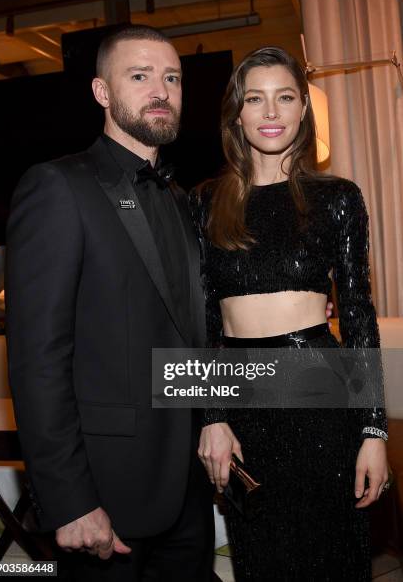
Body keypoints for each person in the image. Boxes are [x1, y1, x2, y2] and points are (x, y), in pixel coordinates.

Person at [6, 24, 214, 582]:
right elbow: (37, 360)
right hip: (104, 495)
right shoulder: (57, 187)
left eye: (172, 77)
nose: (161, 91)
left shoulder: (180, 199)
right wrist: (69, 500)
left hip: (186, 490)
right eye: (140, 76)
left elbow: (185, 336)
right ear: (102, 92)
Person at [190, 46, 389, 581]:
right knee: (262, 560)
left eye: (284, 98)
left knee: (332, 556)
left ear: (304, 109)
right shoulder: (205, 202)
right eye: (255, 99)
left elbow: (359, 314)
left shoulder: (338, 198)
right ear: (237, 114)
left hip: (320, 398)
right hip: (243, 402)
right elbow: (203, 317)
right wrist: (213, 417)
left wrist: (373, 430)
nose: (271, 113)